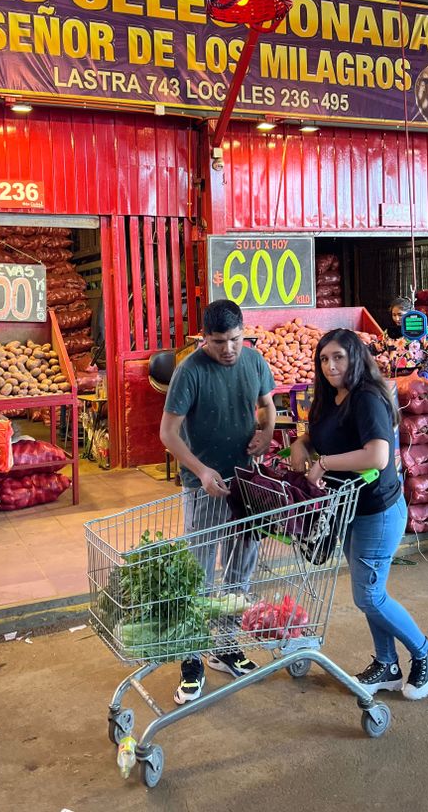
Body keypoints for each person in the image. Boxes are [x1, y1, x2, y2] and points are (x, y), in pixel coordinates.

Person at [289, 328, 428, 701]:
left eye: (339, 357)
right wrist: (301, 443)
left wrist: (323, 463)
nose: (330, 366)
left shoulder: (368, 398)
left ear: (356, 357)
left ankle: (427, 653)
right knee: (369, 591)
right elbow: (323, 435)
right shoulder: (331, 397)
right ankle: (388, 664)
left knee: (369, 596)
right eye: (324, 359)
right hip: (348, 509)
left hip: (377, 509)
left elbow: (376, 455)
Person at [159, 299, 276, 705]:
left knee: (240, 571)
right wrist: (201, 470)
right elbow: (168, 434)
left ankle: (226, 647)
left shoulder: (254, 361)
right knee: (201, 575)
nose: (229, 349)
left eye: (235, 339)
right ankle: (192, 659)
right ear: (203, 339)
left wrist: (268, 431)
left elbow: (267, 405)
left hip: (245, 483)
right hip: (204, 487)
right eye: (218, 341)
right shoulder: (189, 372)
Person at [371, 297, 428, 378]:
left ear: (409, 314)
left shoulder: (425, 332)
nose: (397, 319)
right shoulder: (389, 333)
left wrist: (426, 371)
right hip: (396, 377)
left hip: (420, 377)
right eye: (394, 315)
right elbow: (376, 347)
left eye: (400, 315)